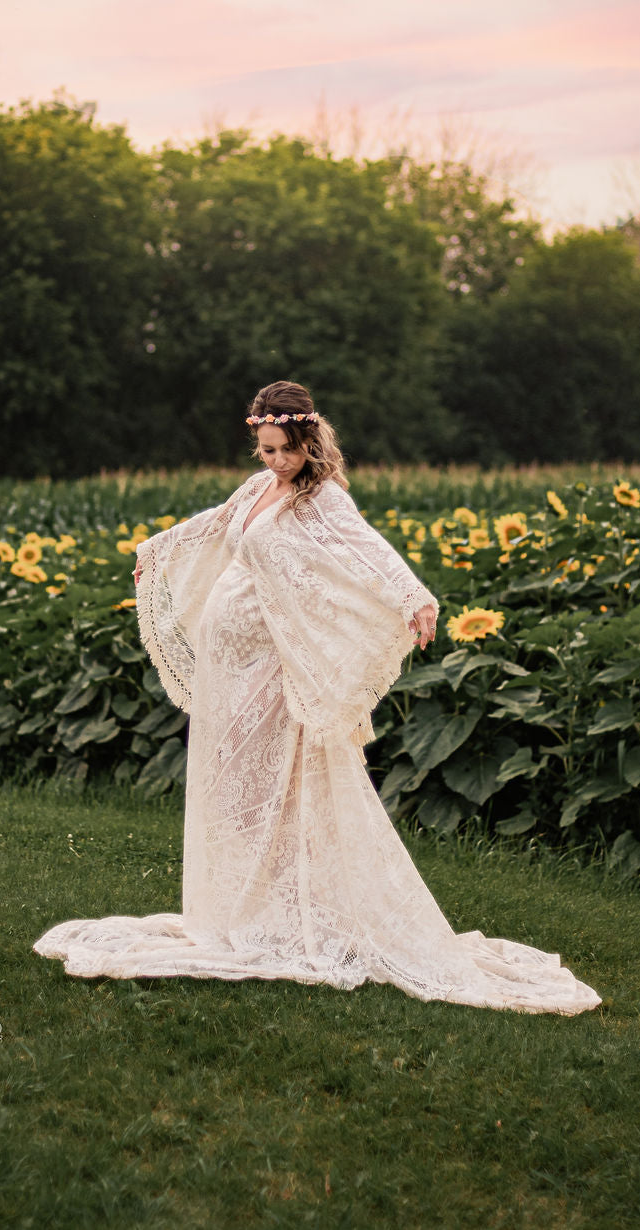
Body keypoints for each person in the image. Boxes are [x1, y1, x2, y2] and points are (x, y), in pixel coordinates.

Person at [34, 382, 601, 1015]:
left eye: (283, 450)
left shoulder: (322, 498)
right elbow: (216, 525)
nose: (273, 460)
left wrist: (414, 597)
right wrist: (157, 550)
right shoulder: (258, 488)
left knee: (274, 780)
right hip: (229, 668)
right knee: (230, 783)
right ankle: (237, 910)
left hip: (273, 667)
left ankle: (283, 913)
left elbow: (367, 549)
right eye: (264, 448)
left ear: (308, 442)